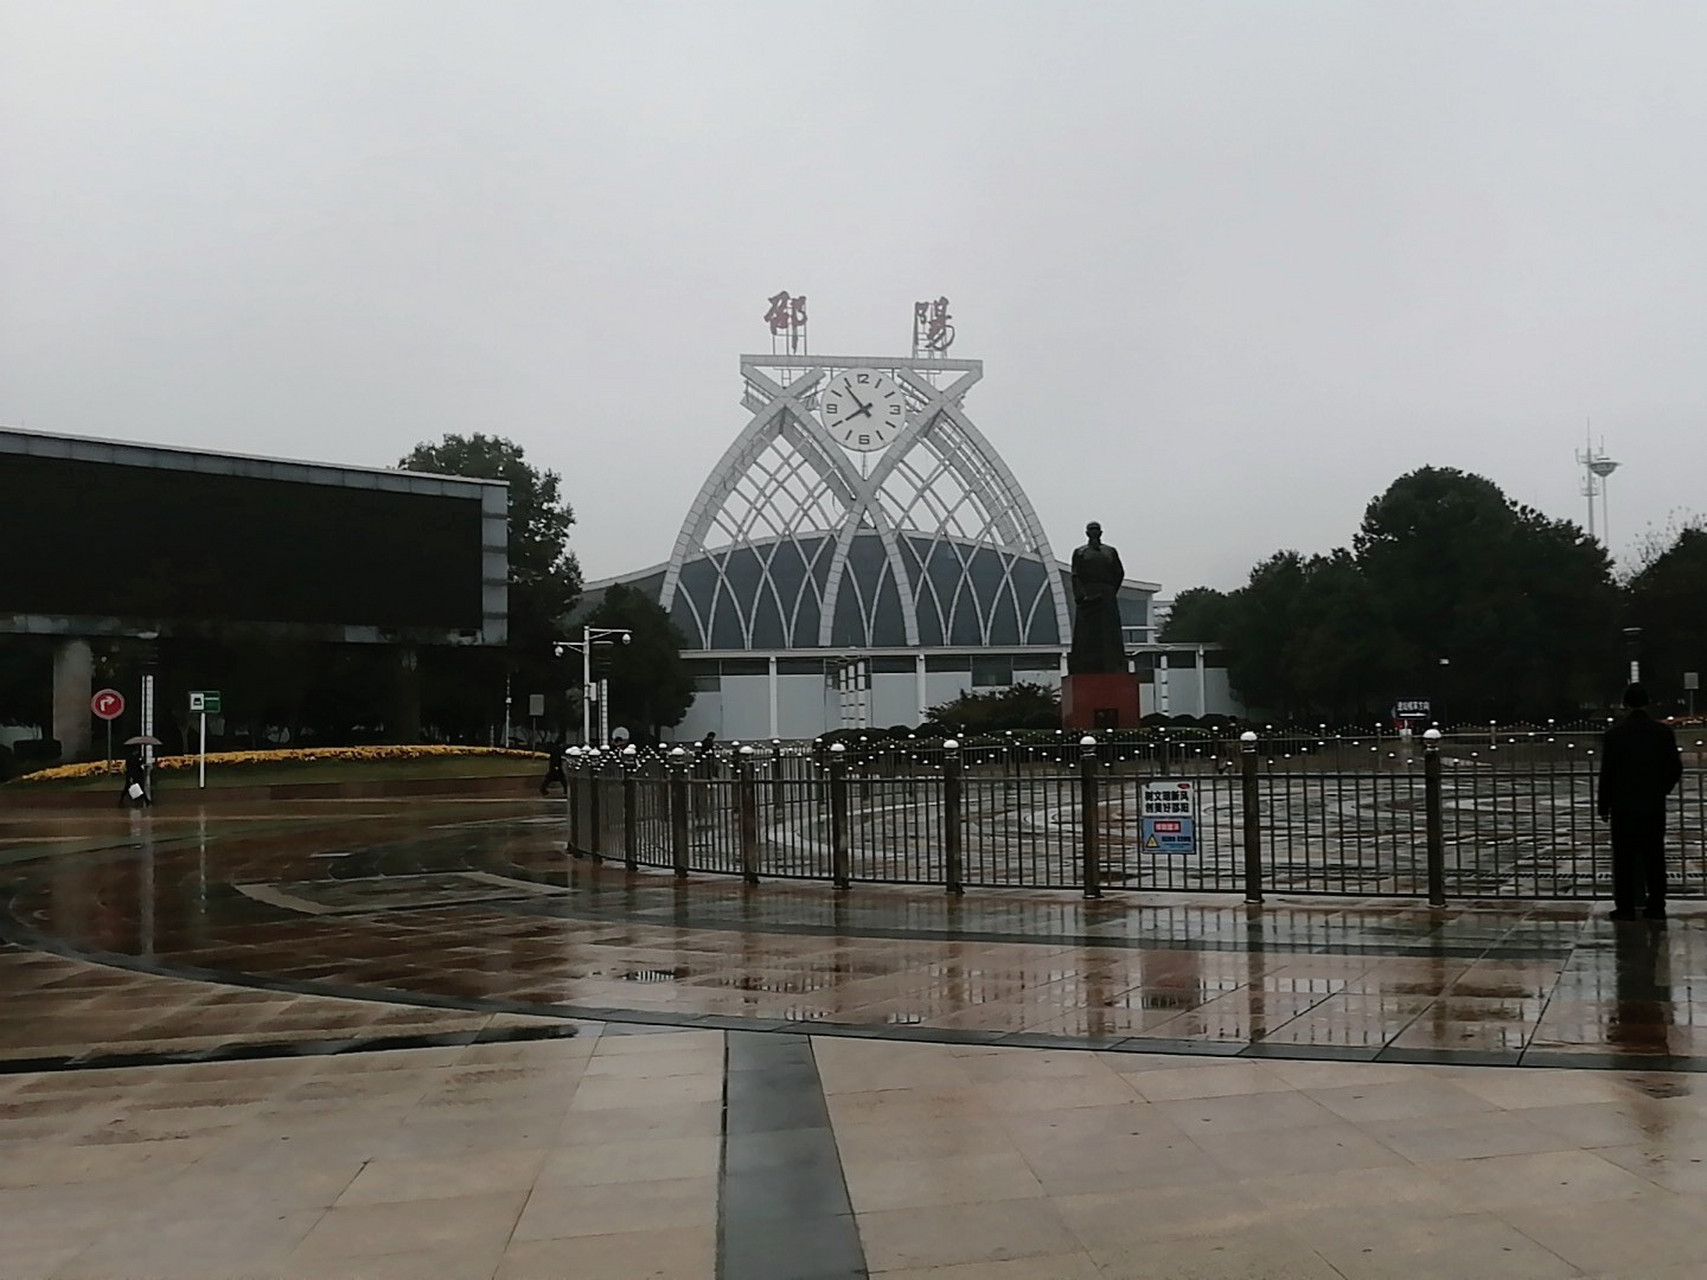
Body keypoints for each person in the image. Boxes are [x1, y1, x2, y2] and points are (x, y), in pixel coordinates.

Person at [1599, 684, 1683, 922]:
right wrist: (1660, 790)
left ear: (1625, 704)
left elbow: (1608, 772)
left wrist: (1604, 804)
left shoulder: (1615, 734)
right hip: (1652, 803)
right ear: (1647, 703)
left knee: (1624, 857)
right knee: (1654, 855)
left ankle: (1625, 907)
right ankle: (1656, 905)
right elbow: (1674, 768)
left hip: (1623, 804)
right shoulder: (1662, 732)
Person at [1068, 521, 1126, 674]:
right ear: (1087, 533)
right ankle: (1085, 664)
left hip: (1107, 594)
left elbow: (1119, 573)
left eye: (1096, 530)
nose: (1094, 533)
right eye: (1091, 530)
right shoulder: (1080, 552)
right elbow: (1075, 575)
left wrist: (1111, 591)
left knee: (1110, 631)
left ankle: (1114, 663)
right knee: (1086, 632)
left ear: (1101, 533)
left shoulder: (1110, 551)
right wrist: (1082, 597)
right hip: (1088, 595)